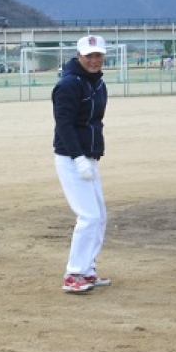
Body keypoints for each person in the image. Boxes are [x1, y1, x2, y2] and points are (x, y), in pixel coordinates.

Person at [52, 35, 112, 293]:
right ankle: (73, 274)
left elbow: (94, 122)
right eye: (89, 56)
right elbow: (64, 125)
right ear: (79, 56)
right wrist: (77, 158)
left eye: (98, 55)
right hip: (71, 158)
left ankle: (87, 270)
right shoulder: (68, 85)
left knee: (100, 217)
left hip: (88, 157)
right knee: (88, 216)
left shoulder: (97, 84)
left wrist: (91, 155)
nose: (94, 60)